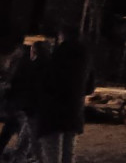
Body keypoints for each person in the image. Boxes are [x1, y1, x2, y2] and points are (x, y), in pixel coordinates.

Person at [37, 28, 95, 163]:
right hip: (75, 112)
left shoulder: (57, 55)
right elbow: (90, 88)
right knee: (68, 153)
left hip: (54, 112)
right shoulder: (86, 58)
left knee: (53, 153)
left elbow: (47, 82)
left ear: (62, 36)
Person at [0, 41, 49, 163]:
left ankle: (1, 155)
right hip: (26, 105)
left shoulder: (26, 64)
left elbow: (21, 84)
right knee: (21, 134)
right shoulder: (33, 64)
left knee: (21, 134)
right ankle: (13, 156)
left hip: (23, 105)